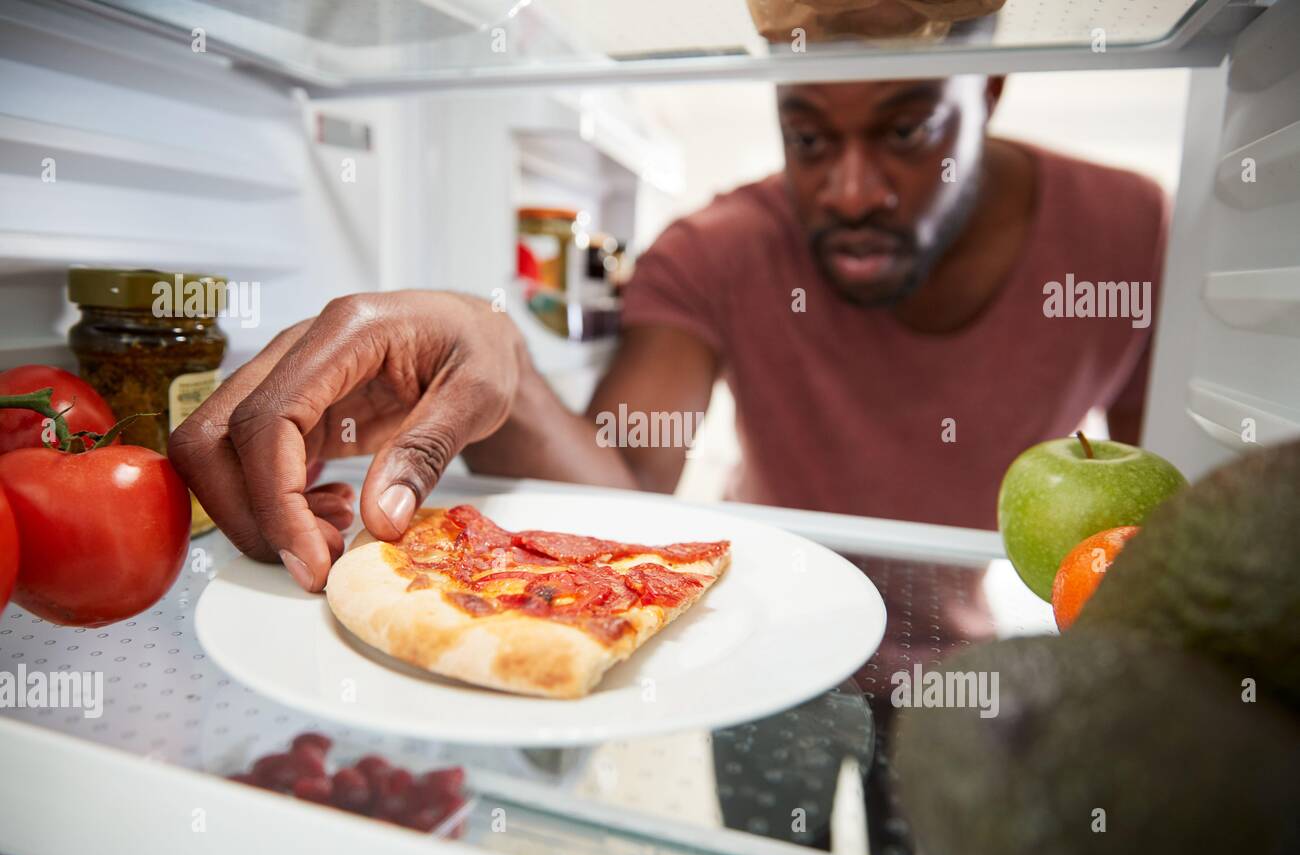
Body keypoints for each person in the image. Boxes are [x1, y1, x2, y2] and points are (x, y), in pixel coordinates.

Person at [170, 76, 1166, 593]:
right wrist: (498, 358)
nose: (850, 189)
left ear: (985, 92)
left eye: (907, 131)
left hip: (976, 655)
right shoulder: (717, 250)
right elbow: (622, 508)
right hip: (780, 618)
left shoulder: (1125, 231)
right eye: (809, 136)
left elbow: (1151, 500)